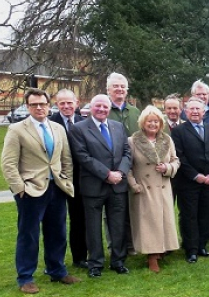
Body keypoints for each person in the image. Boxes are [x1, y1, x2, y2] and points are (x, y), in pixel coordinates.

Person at [3, 88, 79, 293]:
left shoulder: (57, 128)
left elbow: (66, 159)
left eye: (42, 104)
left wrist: (66, 181)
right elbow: (8, 164)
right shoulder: (17, 130)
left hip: (57, 188)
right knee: (29, 234)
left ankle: (57, 271)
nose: (39, 108)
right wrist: (20, 189)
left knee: (58, 232)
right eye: (34, 104)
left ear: (48, 105)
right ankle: (25, 277)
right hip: (30, 191)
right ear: (28, 107)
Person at [70, 94, 132, 277]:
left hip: (118, 185)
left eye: (105, 106)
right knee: (93, 227)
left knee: (118, 225)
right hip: (93, 186)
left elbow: (127, 152)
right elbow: (82, 156)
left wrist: (120, 173)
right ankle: (95, 263)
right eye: (98, 106)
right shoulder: (78, 129)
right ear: (91, 107)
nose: (102, 109)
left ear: (109, 109)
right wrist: (107, 174)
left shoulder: (118, 126)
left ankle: (118, 261)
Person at [126, 106, 180, 272]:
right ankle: (151, 256)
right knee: (148, 223)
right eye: (149, 121)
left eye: (156, 121)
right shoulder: (133, 141)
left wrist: (167, 168)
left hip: (163, 187)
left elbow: (175, 160)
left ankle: (162, 250)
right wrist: (134, 185)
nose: (153, 124)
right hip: (144, 188)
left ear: (160, 123)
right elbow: (127, 166)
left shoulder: (167, 140)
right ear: (143, 123)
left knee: (163, 221)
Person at [171, 98, 209, 263]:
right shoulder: (178, 131)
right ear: (186, 112)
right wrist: (195, 175)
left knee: (205, 215)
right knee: (189, 216)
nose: (195, 112)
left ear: (204, 112)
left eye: (198, 109)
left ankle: (202, 245)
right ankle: (191, 249)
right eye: (191, 109)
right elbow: (180, 157)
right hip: (189, 183)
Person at [49, 88, 87, 268]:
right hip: (56, 179)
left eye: (69, 102)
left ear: (76, 103)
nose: (66, 106)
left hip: (79, 180)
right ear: (56, 104)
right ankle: (55, 261)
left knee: (79, 219)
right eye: (62, 103)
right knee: (55, 222)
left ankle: (80, 257)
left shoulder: (84, 122)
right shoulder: (50, 123)